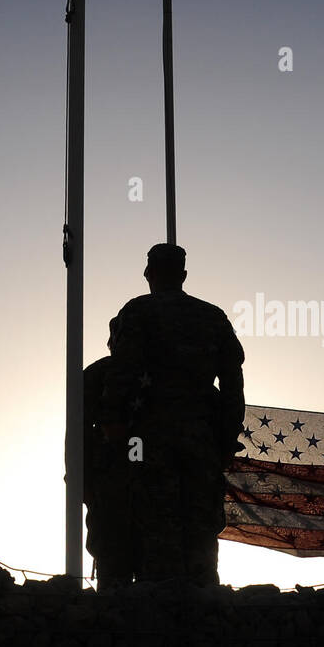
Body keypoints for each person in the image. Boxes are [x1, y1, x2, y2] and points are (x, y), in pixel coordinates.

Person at [100, 244, 245, 586]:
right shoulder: (213, 317)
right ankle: (202, 601)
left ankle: (161, 604)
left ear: (149, 274)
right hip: (202, 439)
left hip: (149, 438)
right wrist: (227, 438)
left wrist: (113, 422)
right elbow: (233, 385)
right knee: (201, 523)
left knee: (156, 518)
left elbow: (121, 370)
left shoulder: (138, 312)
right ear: (182, 275)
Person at [84, 317, 135, 592]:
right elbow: (78, 430)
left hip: (148, 486)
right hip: (109, 483)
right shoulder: (97, 375)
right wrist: (78, 477)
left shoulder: (161, 375)